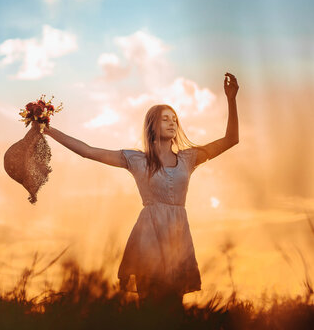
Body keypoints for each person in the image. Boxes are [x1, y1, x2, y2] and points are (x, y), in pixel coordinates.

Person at [36, 73, 239, 309]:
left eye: (174, 119)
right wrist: (48, 130)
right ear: (152, 125)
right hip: (148, 237)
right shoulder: (136, 160)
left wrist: (231, 99)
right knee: (150, 308)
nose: (172, 123)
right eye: (165, 119)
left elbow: (231, 139)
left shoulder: (189, 158)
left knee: (174, 309)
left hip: (178, 236)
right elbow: (88, 151)